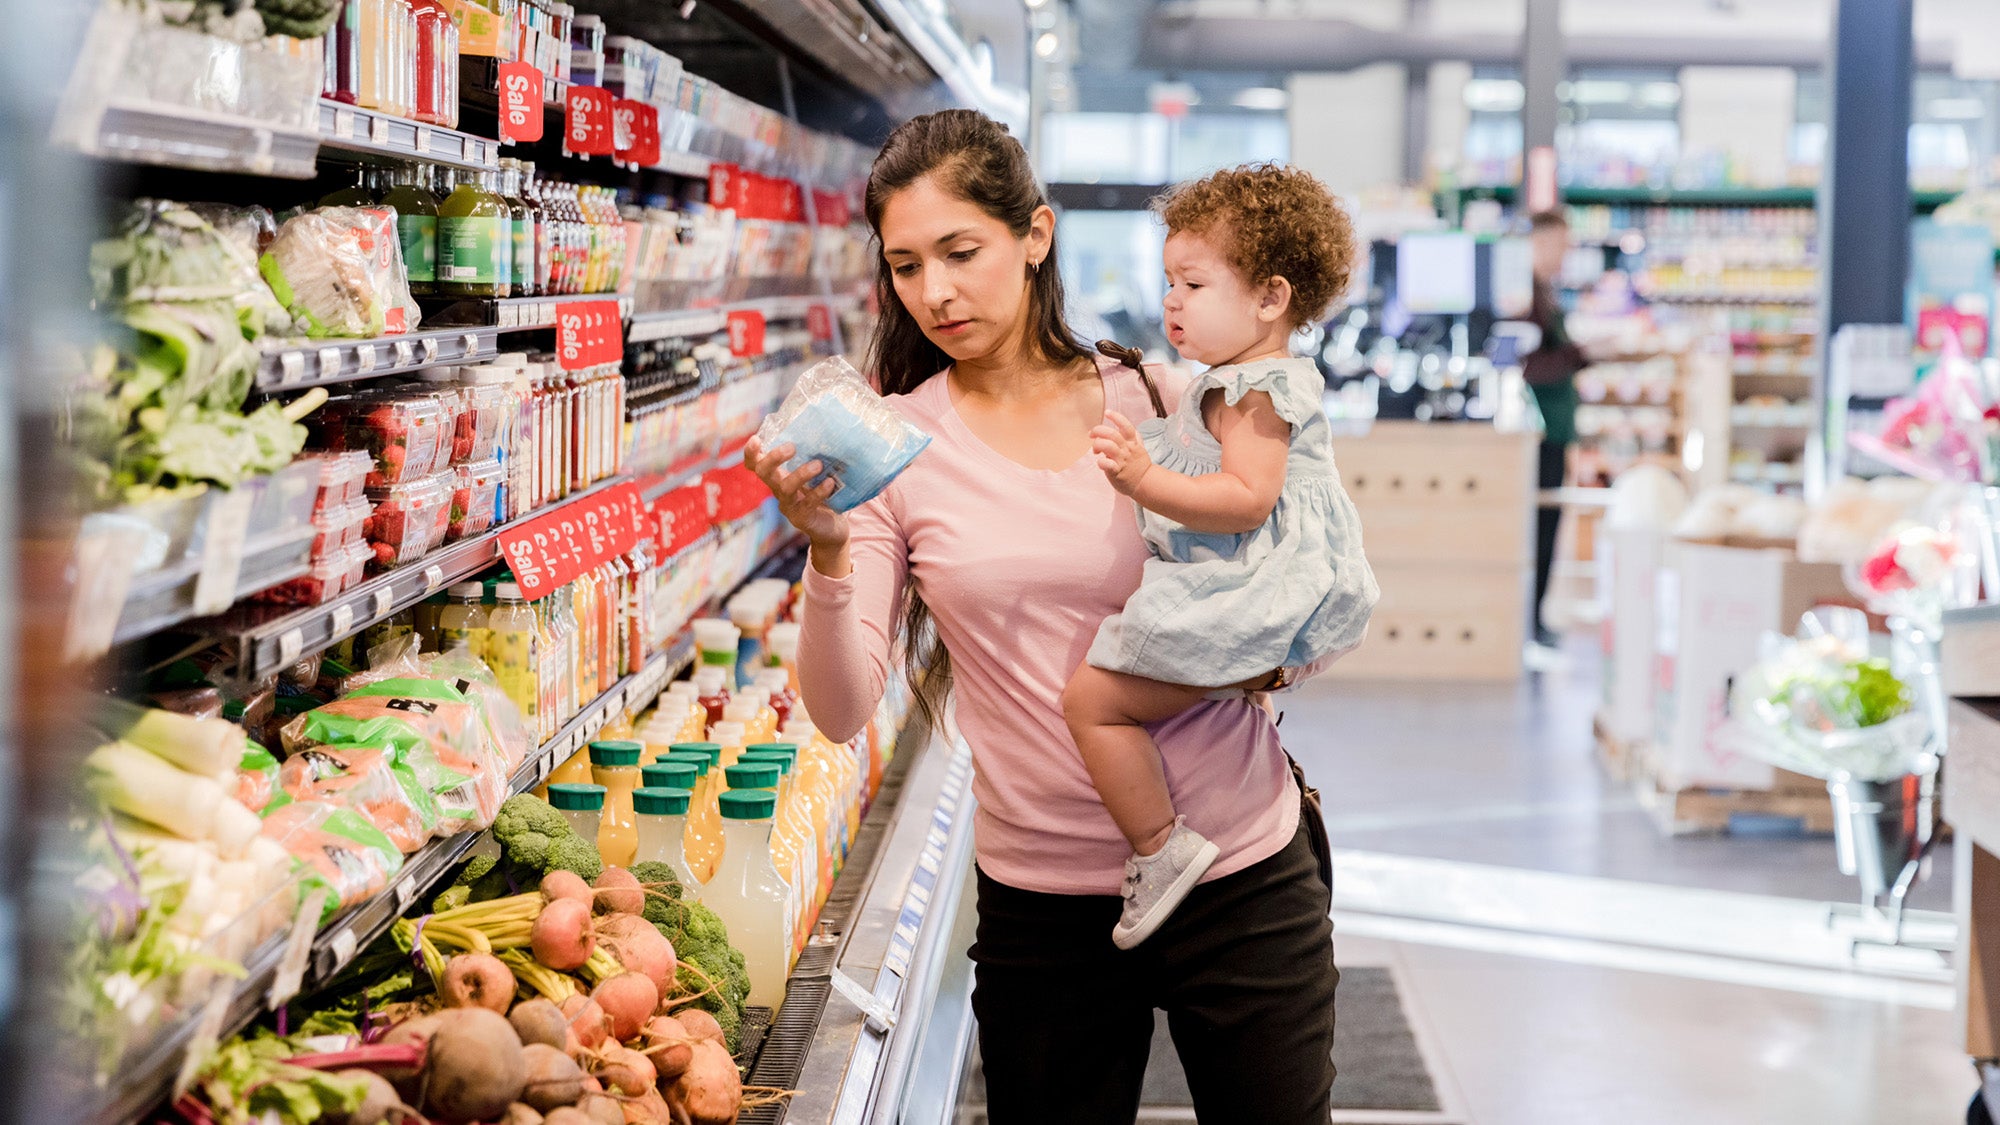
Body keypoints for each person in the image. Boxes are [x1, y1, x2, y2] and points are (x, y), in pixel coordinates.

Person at [744, 109, 1343, 1125]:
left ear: (1035, 234)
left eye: (959, 251)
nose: (933, 291)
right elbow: (843, 711)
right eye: (904, 265)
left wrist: (1271, 657)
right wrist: (829, 545)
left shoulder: (1159, 394)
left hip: (1237, 865)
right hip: (1043, 905)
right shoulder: (896, 451)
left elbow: (1286, 569)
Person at [1063, 164, 1377, 949]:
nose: (1171, 300)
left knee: (1094, 702)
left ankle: (1160, 845)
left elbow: (1246, 499)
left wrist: (1144, 477)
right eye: (1169, 280)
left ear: (1270, 298)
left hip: (1258, 584)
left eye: (1193, 283)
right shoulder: (1232, 379)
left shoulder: (1258, 390)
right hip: (1257, 579)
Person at [1524, 209, 1587, 650]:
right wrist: (1578, 355)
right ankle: (1531, 621)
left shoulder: (1542, 291)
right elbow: (1528, 365)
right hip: (1540, 431)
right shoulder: (1525, 296)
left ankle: (1536, 617)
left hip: (1554, 428)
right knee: (1541, 527)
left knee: (1549, 524)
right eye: (1560, 244)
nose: (1565, 254)